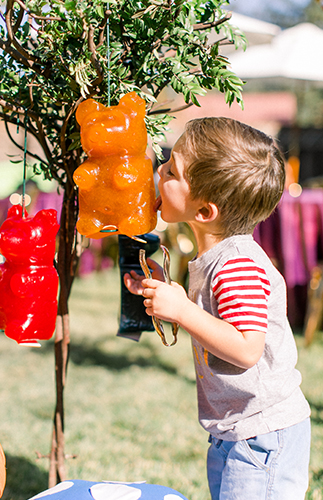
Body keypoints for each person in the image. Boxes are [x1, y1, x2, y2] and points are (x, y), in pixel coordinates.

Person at [124, 117, 311, 500]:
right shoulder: (217, 258)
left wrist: (182, 311)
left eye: (171, 170)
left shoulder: (236, 265)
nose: (159, 171)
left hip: (262, 436)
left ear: (205, 212)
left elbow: (246, 348)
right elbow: (216, 319)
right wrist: (165, 291)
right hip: (236, 430)